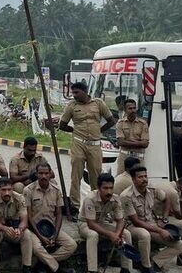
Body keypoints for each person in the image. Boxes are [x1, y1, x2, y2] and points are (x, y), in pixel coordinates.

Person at [122, 166, 182, 273]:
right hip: (133, 226)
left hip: (152, 223)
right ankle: (146, 267)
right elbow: (136, 221)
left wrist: (164, 219)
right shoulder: (126, 195)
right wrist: (161, 230)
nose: (144, 179)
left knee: (180, 245)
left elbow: (166, 199)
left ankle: (155, 263)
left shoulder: (152, 189)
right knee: (144, 234)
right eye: (140, 177)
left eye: (145, 176)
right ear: (133, 179)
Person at [59, 82, 116, 213]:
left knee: (96, 176)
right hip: (78, 143)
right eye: (73, 93)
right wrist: (74, 130)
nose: (74, 95)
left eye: (76, 92)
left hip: (95, 144)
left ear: (84, 92)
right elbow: (62, 125)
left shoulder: (98, 103)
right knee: (76, 175)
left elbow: (111, 121)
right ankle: (74, 206)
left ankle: (97, 206)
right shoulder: (71, 106)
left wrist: (99, 131)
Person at [24, 164, 77, 273]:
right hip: (34, 229)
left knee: (71, 245)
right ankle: (57, 269)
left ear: (50, 174)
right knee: (36, 247)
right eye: (41, 173)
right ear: (36, 174)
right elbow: (28, 216)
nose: (43, 176)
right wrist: (40, 236)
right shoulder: (28, 190)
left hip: (51, 227)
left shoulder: (56, 190)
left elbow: (58, 214)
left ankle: (44, 263)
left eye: (46, 173)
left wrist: (55, 234)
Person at [78, 173, 135, 273]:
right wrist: (111, 235)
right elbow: (91, 224)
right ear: (99, 188)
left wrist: (117, 235)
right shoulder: (90, 199)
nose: (109, 191)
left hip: (100, 223)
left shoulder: (115, 198)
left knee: (126, 233)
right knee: (93, 235)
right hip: (85, 224)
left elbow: (120, 220)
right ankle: (92, 270)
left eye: (111, 188)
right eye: (105, 188)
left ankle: (126, 269)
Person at [0, 178, 34, 273]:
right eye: (3, 190)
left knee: (27, 234)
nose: (7, 193)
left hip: (14, 228)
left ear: (12, 189)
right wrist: (5, 228)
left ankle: (27, 267)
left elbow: (24, 220)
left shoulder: (19, 198)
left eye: (9, 189)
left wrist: (19, 229)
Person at [115, 99, 149, 175]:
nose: (133, 110)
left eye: (134, 108)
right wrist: (139, 142)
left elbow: (145, 144)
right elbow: (120, 142)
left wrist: (127, 141)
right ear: (125, 110)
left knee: (139, 179)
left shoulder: (143, 124)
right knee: (120, 180)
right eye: (130, 108)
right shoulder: (120, 123)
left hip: (138, 158)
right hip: (124, 156)